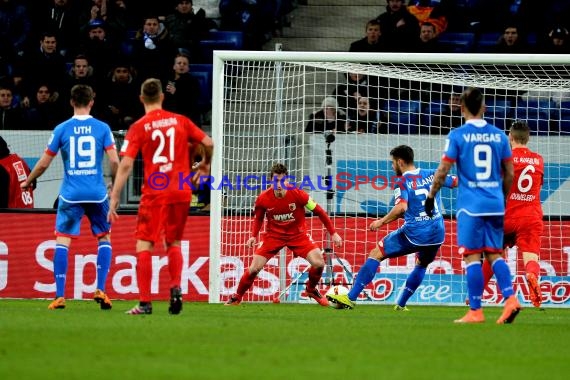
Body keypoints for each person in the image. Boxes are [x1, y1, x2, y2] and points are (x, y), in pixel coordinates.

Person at [108, 78, 213, 315]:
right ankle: (175, 287)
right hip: (180, 189)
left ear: (141, 98)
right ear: (162, 97)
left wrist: (114, 196)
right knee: (173, 242)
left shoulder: (138, 127)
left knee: (144, 243)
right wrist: (204, 166)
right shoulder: (180, 121)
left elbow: (125, 165)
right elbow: (208, 141)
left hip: (155, 191)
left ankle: (145, 303)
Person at [424, 87, 521, 324]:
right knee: (494, 253)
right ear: (485, 107)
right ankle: (511, 299)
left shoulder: (457, 136)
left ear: (461, 108)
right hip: (495, 202)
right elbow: (509, 173)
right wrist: (503, 197)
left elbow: (442, 172)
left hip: (471, 205)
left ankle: (476, 310)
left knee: (472, 256)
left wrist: (430, 197)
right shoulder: (499, 135)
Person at [20, 84, 120, 310]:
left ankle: (59, 296)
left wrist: (28, 181)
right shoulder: (102, 127)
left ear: (71, 102)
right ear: (91, 101)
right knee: (104, 239)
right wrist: (115, 186)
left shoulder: (61, 129)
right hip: (96, 194)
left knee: (62, 241)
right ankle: (101, 289)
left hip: (71, 195)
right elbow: (114, 161)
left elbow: (44, 163)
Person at [327, 145, 457, 310]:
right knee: (422, 264)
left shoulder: (403, 181)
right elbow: (456, 182)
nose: (392, 166)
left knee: (376, 253)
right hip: (437, 233)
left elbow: (401, 207)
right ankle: (401, 304)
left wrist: (380, 222)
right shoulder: (432, 173)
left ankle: (350, 298)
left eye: (393, 163)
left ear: (400, 162)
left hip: (415, 232)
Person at [225, 163, 343, 306]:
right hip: (273, 236)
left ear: (287, 181)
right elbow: (259, 218)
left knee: (318, 263)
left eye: (282, 181)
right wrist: (253, 235)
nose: (279, 184)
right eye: (275, 181)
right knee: (254, 268)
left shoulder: (299, 194)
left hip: (298, 235)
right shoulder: (263, 198)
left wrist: (334, 233)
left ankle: (311, 289)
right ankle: (237, 297)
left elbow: (320, 212)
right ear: (270, 181)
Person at [478, 121, 544, 308]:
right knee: (531, 259)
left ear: (510, 137)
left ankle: (475, 294)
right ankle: (531, 276)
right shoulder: (539, 160)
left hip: (506, 216)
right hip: (531, 216)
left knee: (493, 255)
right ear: (528, 138)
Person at [0, 135, 34, 208]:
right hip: (29, 213)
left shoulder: (2, 167)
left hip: (10, 216)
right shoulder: (19, 160)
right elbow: (33, 182)